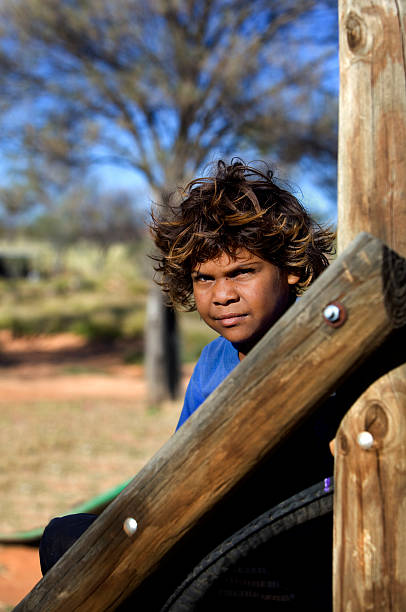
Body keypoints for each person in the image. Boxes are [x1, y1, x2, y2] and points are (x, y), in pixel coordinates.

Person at [39, 161, 338, 605]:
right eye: (205, 279)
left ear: (291, 270)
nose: (222, 296)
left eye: (242, 272)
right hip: (216, 545)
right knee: (65, 538)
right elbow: (182, 474)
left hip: (294, 558)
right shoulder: (212, 360)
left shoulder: (328, 349)